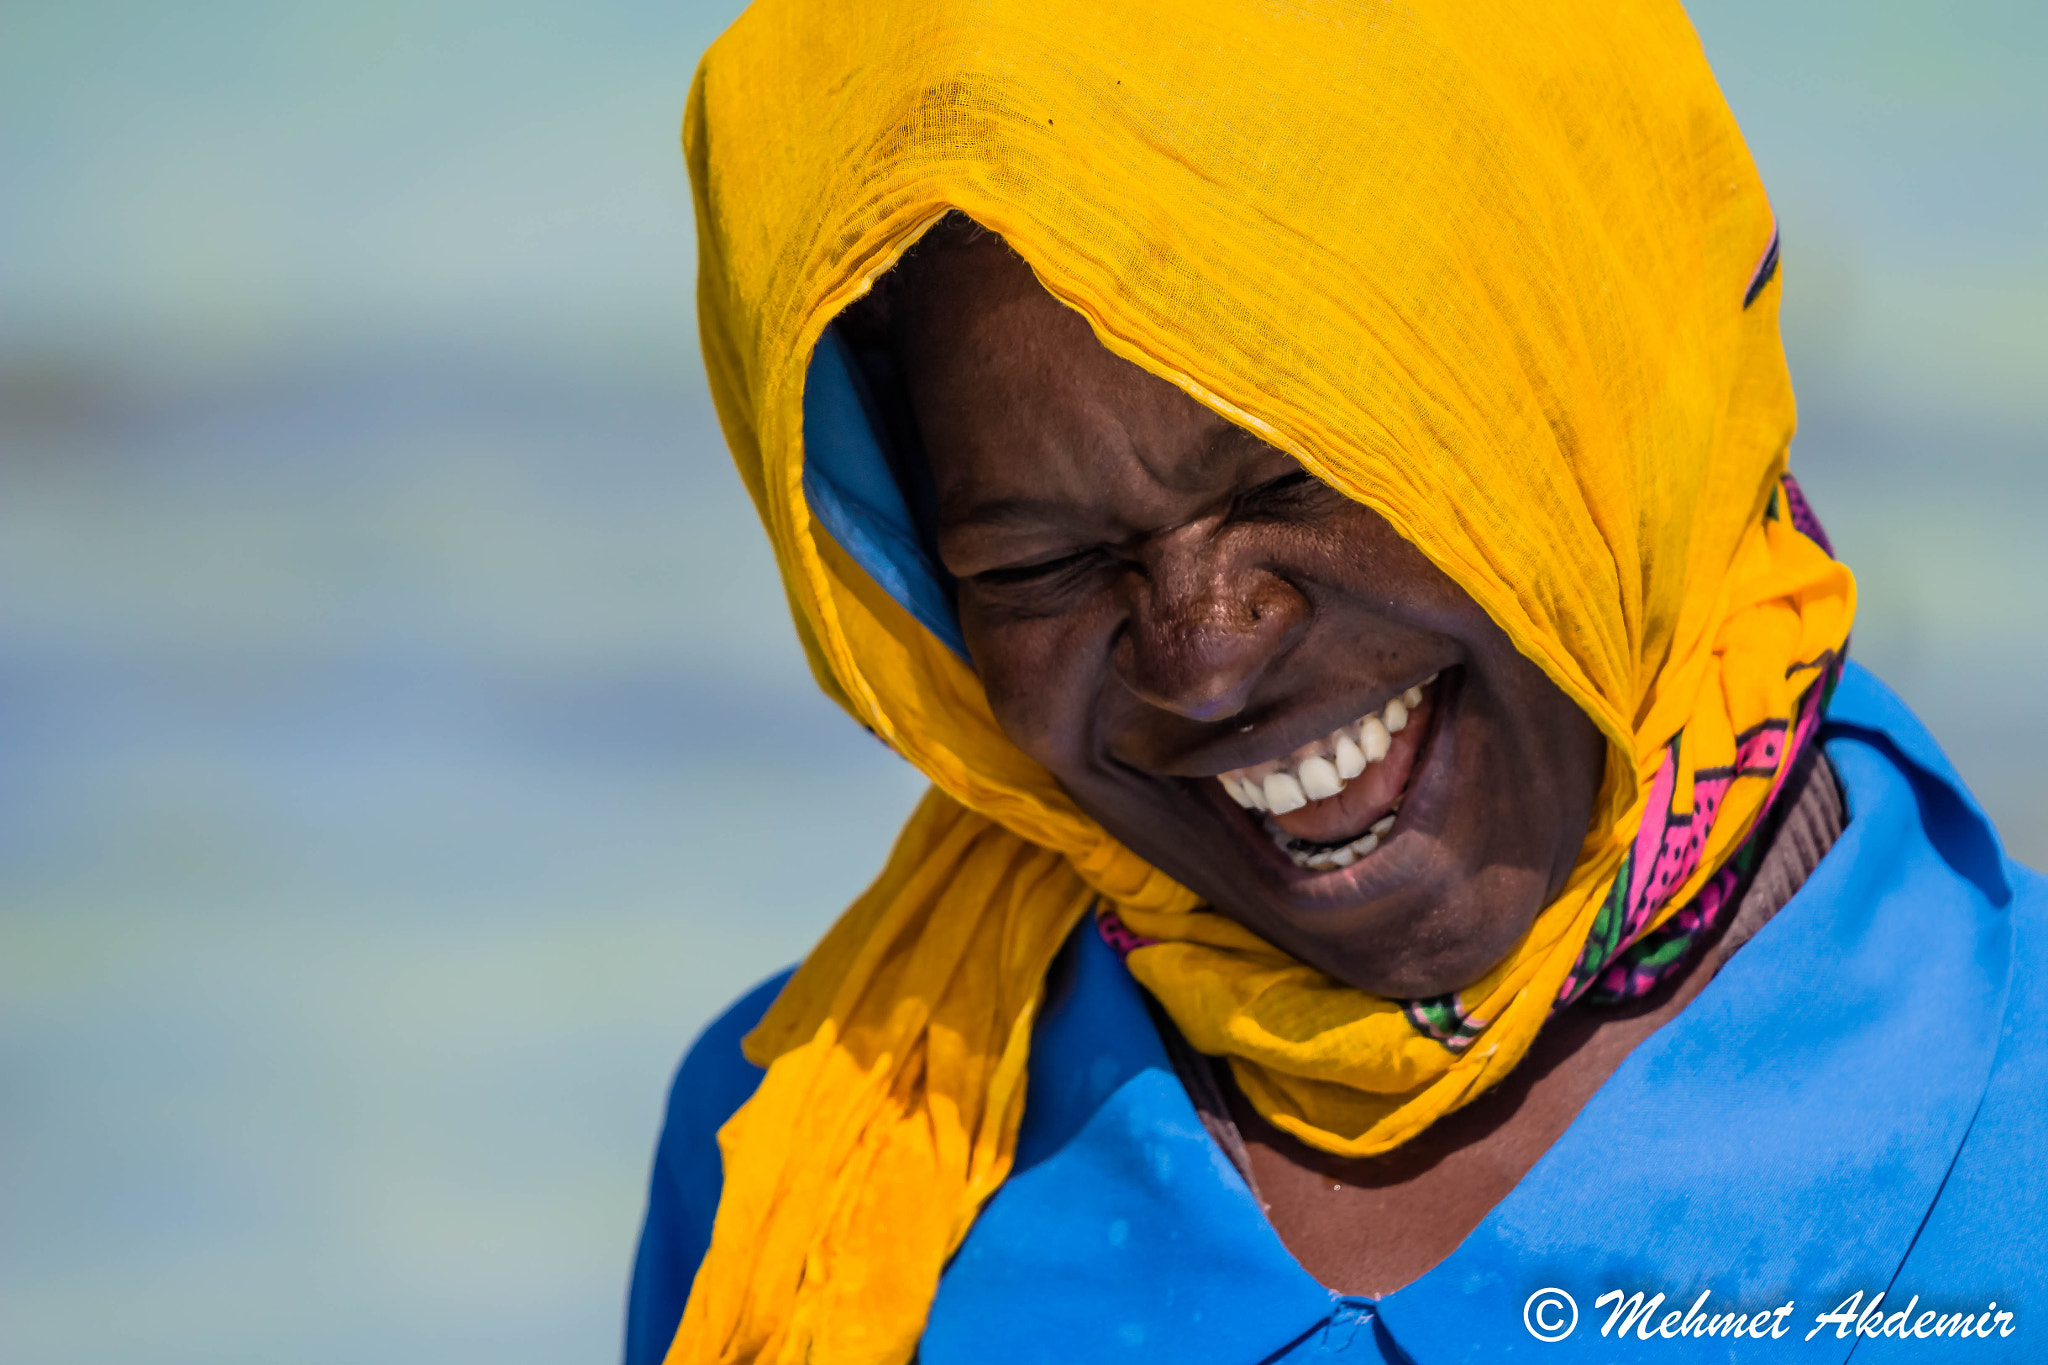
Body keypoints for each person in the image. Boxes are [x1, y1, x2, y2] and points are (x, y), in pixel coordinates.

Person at [628, 0, 2046, 1360]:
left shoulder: (2006, 1146)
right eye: (1040, 566)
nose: (1203, 652)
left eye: (1296, 469)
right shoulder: (811, 1171)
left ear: (1596, 376)